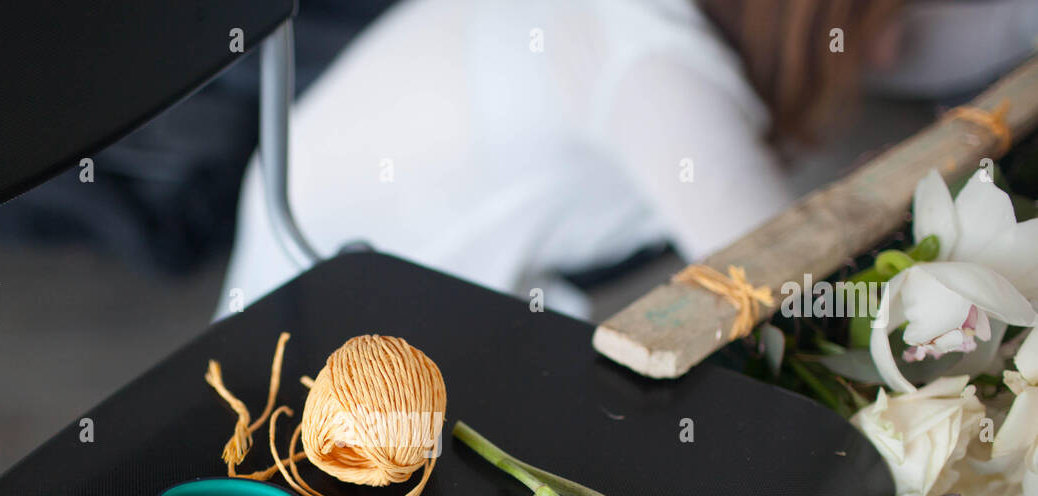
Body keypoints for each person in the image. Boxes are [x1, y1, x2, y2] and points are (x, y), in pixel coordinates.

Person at [216, 0, 908, 320]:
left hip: (313, 190)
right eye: (889, 16)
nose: (891, 49)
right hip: (336, 285)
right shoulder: (661, 76)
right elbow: (797, 301)